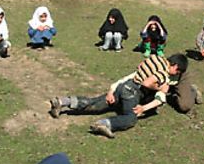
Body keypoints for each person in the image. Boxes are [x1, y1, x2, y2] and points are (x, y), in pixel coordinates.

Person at [49, 54, 188, 138]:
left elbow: (134, 75)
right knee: (130, 118)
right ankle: (104, 124)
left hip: (123, 86)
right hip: (132, 93)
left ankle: (63, 101)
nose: (174, 73)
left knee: (95, 103)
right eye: (177, 71)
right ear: (175, 66)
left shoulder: (154, 58)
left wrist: (112, 90)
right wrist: (144, 107)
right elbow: (156, 95)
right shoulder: (164, 75)